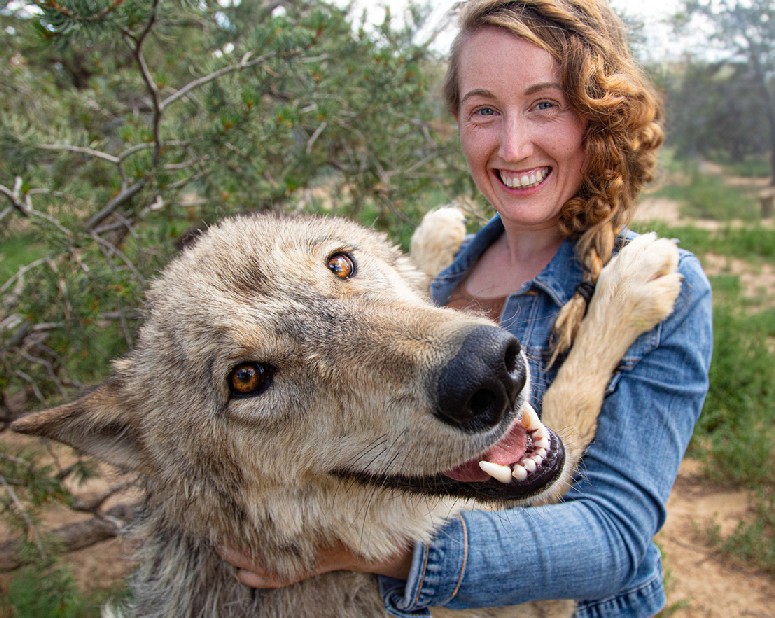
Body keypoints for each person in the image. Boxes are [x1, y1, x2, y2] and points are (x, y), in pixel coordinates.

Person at [218, 1, 713, 616]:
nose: (512, 145)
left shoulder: (662, 285)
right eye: (484, 110)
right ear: (458, 121)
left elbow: (612, 542)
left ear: (597, 113)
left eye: (544, 104)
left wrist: (369, 552)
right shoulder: (436, 280)